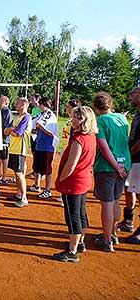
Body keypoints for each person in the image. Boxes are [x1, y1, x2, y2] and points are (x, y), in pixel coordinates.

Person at [53, 106, 98, 262]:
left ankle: (72, 252)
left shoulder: (79, 139)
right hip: (84, 179)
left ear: (84, 120)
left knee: (73, 217)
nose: (73, 120)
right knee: (80, 213)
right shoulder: (91, 136)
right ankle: (80, 243)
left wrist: (61, 179)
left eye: (77, 117)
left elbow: (71, 165)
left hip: (74, 182)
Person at [92, 92, 131, 252]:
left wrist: (115, 165)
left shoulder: (101, 121)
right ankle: (113, 234)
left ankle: (107, 239)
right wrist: (120, 165)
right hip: (124, 164)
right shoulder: (121, 118)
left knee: (107, 203)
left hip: (108, 167)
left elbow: (103, 146)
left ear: (96, 107)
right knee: (116, 200)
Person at [28, 97, 59, 199]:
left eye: (40, 104)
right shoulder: (41, 115)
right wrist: (35, 130)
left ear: (44, 104)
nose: (39, 106)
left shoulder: (51, 116)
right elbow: (36, 126)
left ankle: (47, 189)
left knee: (47, 169)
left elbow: (51, 133)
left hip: (47, 147)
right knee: (36, 167)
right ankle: (37, 185)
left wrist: (40, 127)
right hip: (39, 145)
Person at [5, 97, 32, 208]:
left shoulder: (26, 117)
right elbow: (6, 130)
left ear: (23, 105)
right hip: (14, 148)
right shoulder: (18, 117)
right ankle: (19, 194)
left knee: (20, 173)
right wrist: (12, 129)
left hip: (20, 149)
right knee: (16, 173)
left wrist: (11, 130)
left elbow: (17, 133)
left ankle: (24, 198)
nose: (15, 105)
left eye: (17, 103)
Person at [123, 87, 140, 244]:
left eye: (133, 94)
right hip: (134, 160)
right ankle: (128, 221)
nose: (130, 97)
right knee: (129, 189)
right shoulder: (137, 114)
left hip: (138, 159)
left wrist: (130, 153)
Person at [0, 95, 13, 185]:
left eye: (1, 101)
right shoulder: (1, 111)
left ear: (6, 103)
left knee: (4, 159)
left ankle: (4, 177)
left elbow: (7, 126)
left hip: (4, 139)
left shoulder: (7, 112)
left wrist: (3, 137)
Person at [26, 93, 42, 178]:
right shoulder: (33, 110)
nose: (31, 100)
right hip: (32, 134)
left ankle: (40, 172)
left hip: (37, 134)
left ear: (37, 99)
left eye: (32, 99)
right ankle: (35, 171)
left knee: (38, 153)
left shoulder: (40, 110)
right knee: (33, 152)